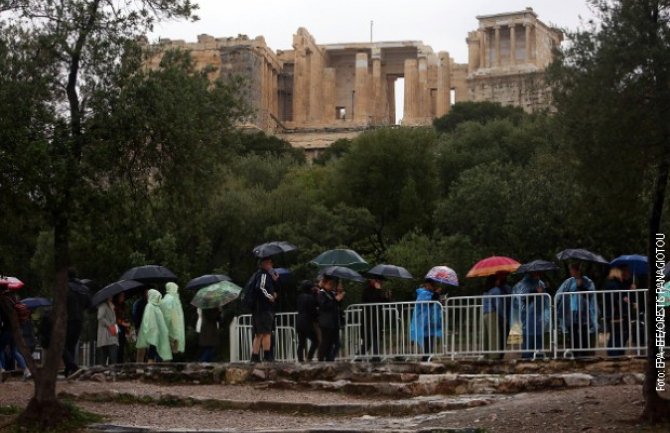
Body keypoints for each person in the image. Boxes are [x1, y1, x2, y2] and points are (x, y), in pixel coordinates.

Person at [556, 264, 598, 358]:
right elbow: (560, 294)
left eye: (572, 270)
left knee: (584, 335)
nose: (571, 272)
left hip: (584, 313)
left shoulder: (587, 282)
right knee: (573, 335)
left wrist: (581, 287)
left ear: (578, 270)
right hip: (571, 313)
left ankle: (584, 355)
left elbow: (591, 295)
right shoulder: (568, 282)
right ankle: (574, 355)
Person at [512, 272, 550, 359]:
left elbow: (545, 298)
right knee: (529, 337)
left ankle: (539, 356)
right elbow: (523, 299)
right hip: (528, 315)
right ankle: (527, 357)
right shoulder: (523, 284)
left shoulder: (540, 283)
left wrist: (546, 287)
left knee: (538, 336)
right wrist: (536, 291)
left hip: (539, 315)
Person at [250, 257, 278, 363]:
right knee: (266, 332)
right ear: (264, 264)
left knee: (259, 333)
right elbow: (261, 287)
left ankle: (255, 356)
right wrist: (270, 296)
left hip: (259, 308)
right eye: (270, 262)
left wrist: (275, 281)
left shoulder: (262, 275)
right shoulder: (263, 274)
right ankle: (267, 356)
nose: (271, 264)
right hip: (263, 308)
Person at [63, 270, 91, 377]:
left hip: (68, 320)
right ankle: (68, 371)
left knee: (62, 346)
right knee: (71, 346)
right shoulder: (84, 289)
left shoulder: (66, 287)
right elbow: (90, 304)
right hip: (79, 320)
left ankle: (73, 367)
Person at [409, 278, 443, 360]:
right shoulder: (423, 293)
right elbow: (429, 303)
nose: (433, 287)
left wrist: (439, 299)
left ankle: (428, 355)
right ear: (427, 285)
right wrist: (436, 294)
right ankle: (426, 356)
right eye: (432, 285)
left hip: (429, 320)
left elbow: (434, 302)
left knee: (430, 337)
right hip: (423, 320)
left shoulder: (429, 293)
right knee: (426, 338)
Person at [482, 272, 512, 360]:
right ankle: (494, 356)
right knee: (494, 335)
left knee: (487, 336)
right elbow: (499, 305)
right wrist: (504, 317)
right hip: (493, 313)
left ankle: (487, 355)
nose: (499, 281)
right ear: (494, 281)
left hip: (485, 314)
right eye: (498, 279)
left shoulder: (486, 291)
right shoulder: (496, 290)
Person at [136, 289, 172, 362]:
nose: (159, 299)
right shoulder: (150, 306)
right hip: (152, 333)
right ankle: (146, 367)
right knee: (150, 351)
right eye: (157, 297)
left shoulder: (156, 307)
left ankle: (152, 366)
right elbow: (147, 321)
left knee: (154, 351)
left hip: (158, 333)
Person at [360, 277, 390, 361]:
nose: (379, 282)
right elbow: (372, 300)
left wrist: (387, 298)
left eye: (380, 281)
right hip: (368, 318)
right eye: (377, 280)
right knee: (368, 339)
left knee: (375, 337)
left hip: (377, 318)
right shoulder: (367, 290)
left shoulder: (379, 290)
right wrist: (378, 290)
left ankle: (374, 356)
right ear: (371, 280)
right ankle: (361, 357)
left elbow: (382, 302)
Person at [603, 267, 629, 356]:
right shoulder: (615, 284)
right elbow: (617, 298)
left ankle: (615, 353)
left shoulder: (612, 283)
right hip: (617, 313)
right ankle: (615, 353)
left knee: (616, 334)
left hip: (613, 313)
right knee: (619, 334)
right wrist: (623, 299)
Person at [317, 275, 344, 361]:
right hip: (326, 322)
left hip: (334, 322)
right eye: (329, 284)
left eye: (332, 284)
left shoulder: (332, 293)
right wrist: (335, 300)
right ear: (324, 284)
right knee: (326, 342)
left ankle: (330, 359)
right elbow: (324, 306)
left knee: (336, 343)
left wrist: (339, 297)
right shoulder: (321, 294)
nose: (331, 286)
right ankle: (321, 359)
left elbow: (337, 305)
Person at [296, 280, 319, 362]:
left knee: (301, 343)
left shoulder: (300, 297)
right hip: (307, 322)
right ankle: (309, 358)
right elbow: (313, 310)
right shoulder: (310, 298)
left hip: (299, 321)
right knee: (315, 340)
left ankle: (300, 360)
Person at [160, 282, 185, 356]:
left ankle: (166, 365)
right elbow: (170, 316)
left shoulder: (166, 298)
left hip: (168, 327)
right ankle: (168, 366)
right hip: (173, 327)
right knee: (172, 349)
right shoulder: (172, 299)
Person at [96, 296, 119, 366]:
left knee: (113, 355)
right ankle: (103, 373)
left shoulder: (112, 306)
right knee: (105, 356)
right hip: (105, 334)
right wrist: (109, 325)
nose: (112, 296)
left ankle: (112, 372)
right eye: (110, 295)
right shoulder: (103, 305)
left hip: (113, 333)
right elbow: (100, 317)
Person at [112, 292, 131, 364]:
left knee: (122, 346)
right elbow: (114, 318)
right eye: (121, 296)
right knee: (117, 345)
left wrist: (126, 324)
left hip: (123, 328)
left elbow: (125, 316)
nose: (123, 297)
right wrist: (123, 323)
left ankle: (120, 362)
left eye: (123, 296)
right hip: (116, 327)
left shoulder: (124, 305)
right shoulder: (114, 306)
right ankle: (116, 362)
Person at [132, 289, 149, 363]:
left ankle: (144, 364)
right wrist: (138, 326)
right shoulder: (138, 303)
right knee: (141, 349)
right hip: (141, 328)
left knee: (146, 349)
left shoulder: (149, 303)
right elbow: (135, 316)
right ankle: (139, 365)